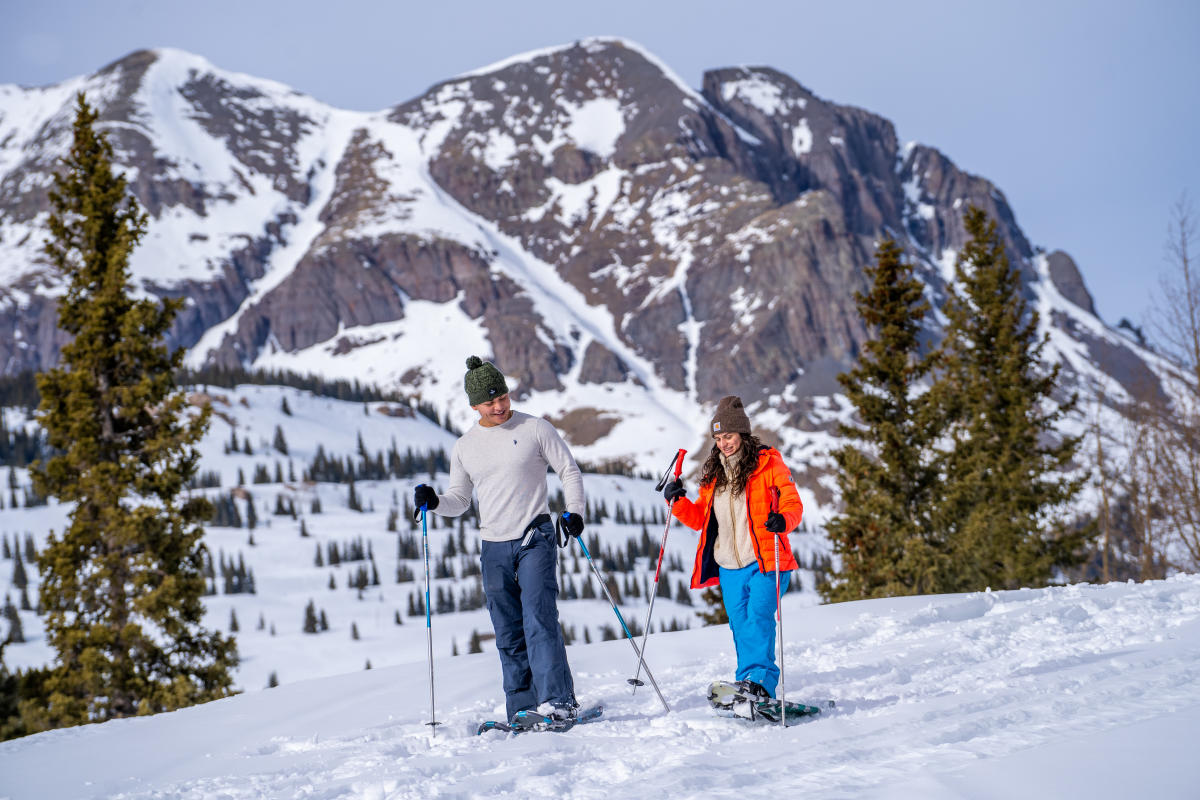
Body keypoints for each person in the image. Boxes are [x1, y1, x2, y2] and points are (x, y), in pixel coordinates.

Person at [413, 355, 586, 723]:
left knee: (539, 619)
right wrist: (434, 502)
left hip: (534, 535)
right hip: (492, 546)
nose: (499, 405)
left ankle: (558, 702)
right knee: (507, 631)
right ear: (474, 405)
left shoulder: (536, 429)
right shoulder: (465, 447)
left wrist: (574, 511)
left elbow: (568, 470)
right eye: (490, 401)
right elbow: (458, 501)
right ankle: (522, 709)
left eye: (502, 396)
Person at [663, 395, 802, 700]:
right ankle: (747, 682)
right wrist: (678, 502)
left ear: (742, 434)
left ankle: (761, 683)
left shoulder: (768, 463)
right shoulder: (715, 474)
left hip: (765, 560)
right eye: (718, 438)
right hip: (729, 566)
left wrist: (784, 520)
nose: (724, 443)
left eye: (728, 436)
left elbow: (793, 502)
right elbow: (700, 518)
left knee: (758, 619)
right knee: (740, 627)